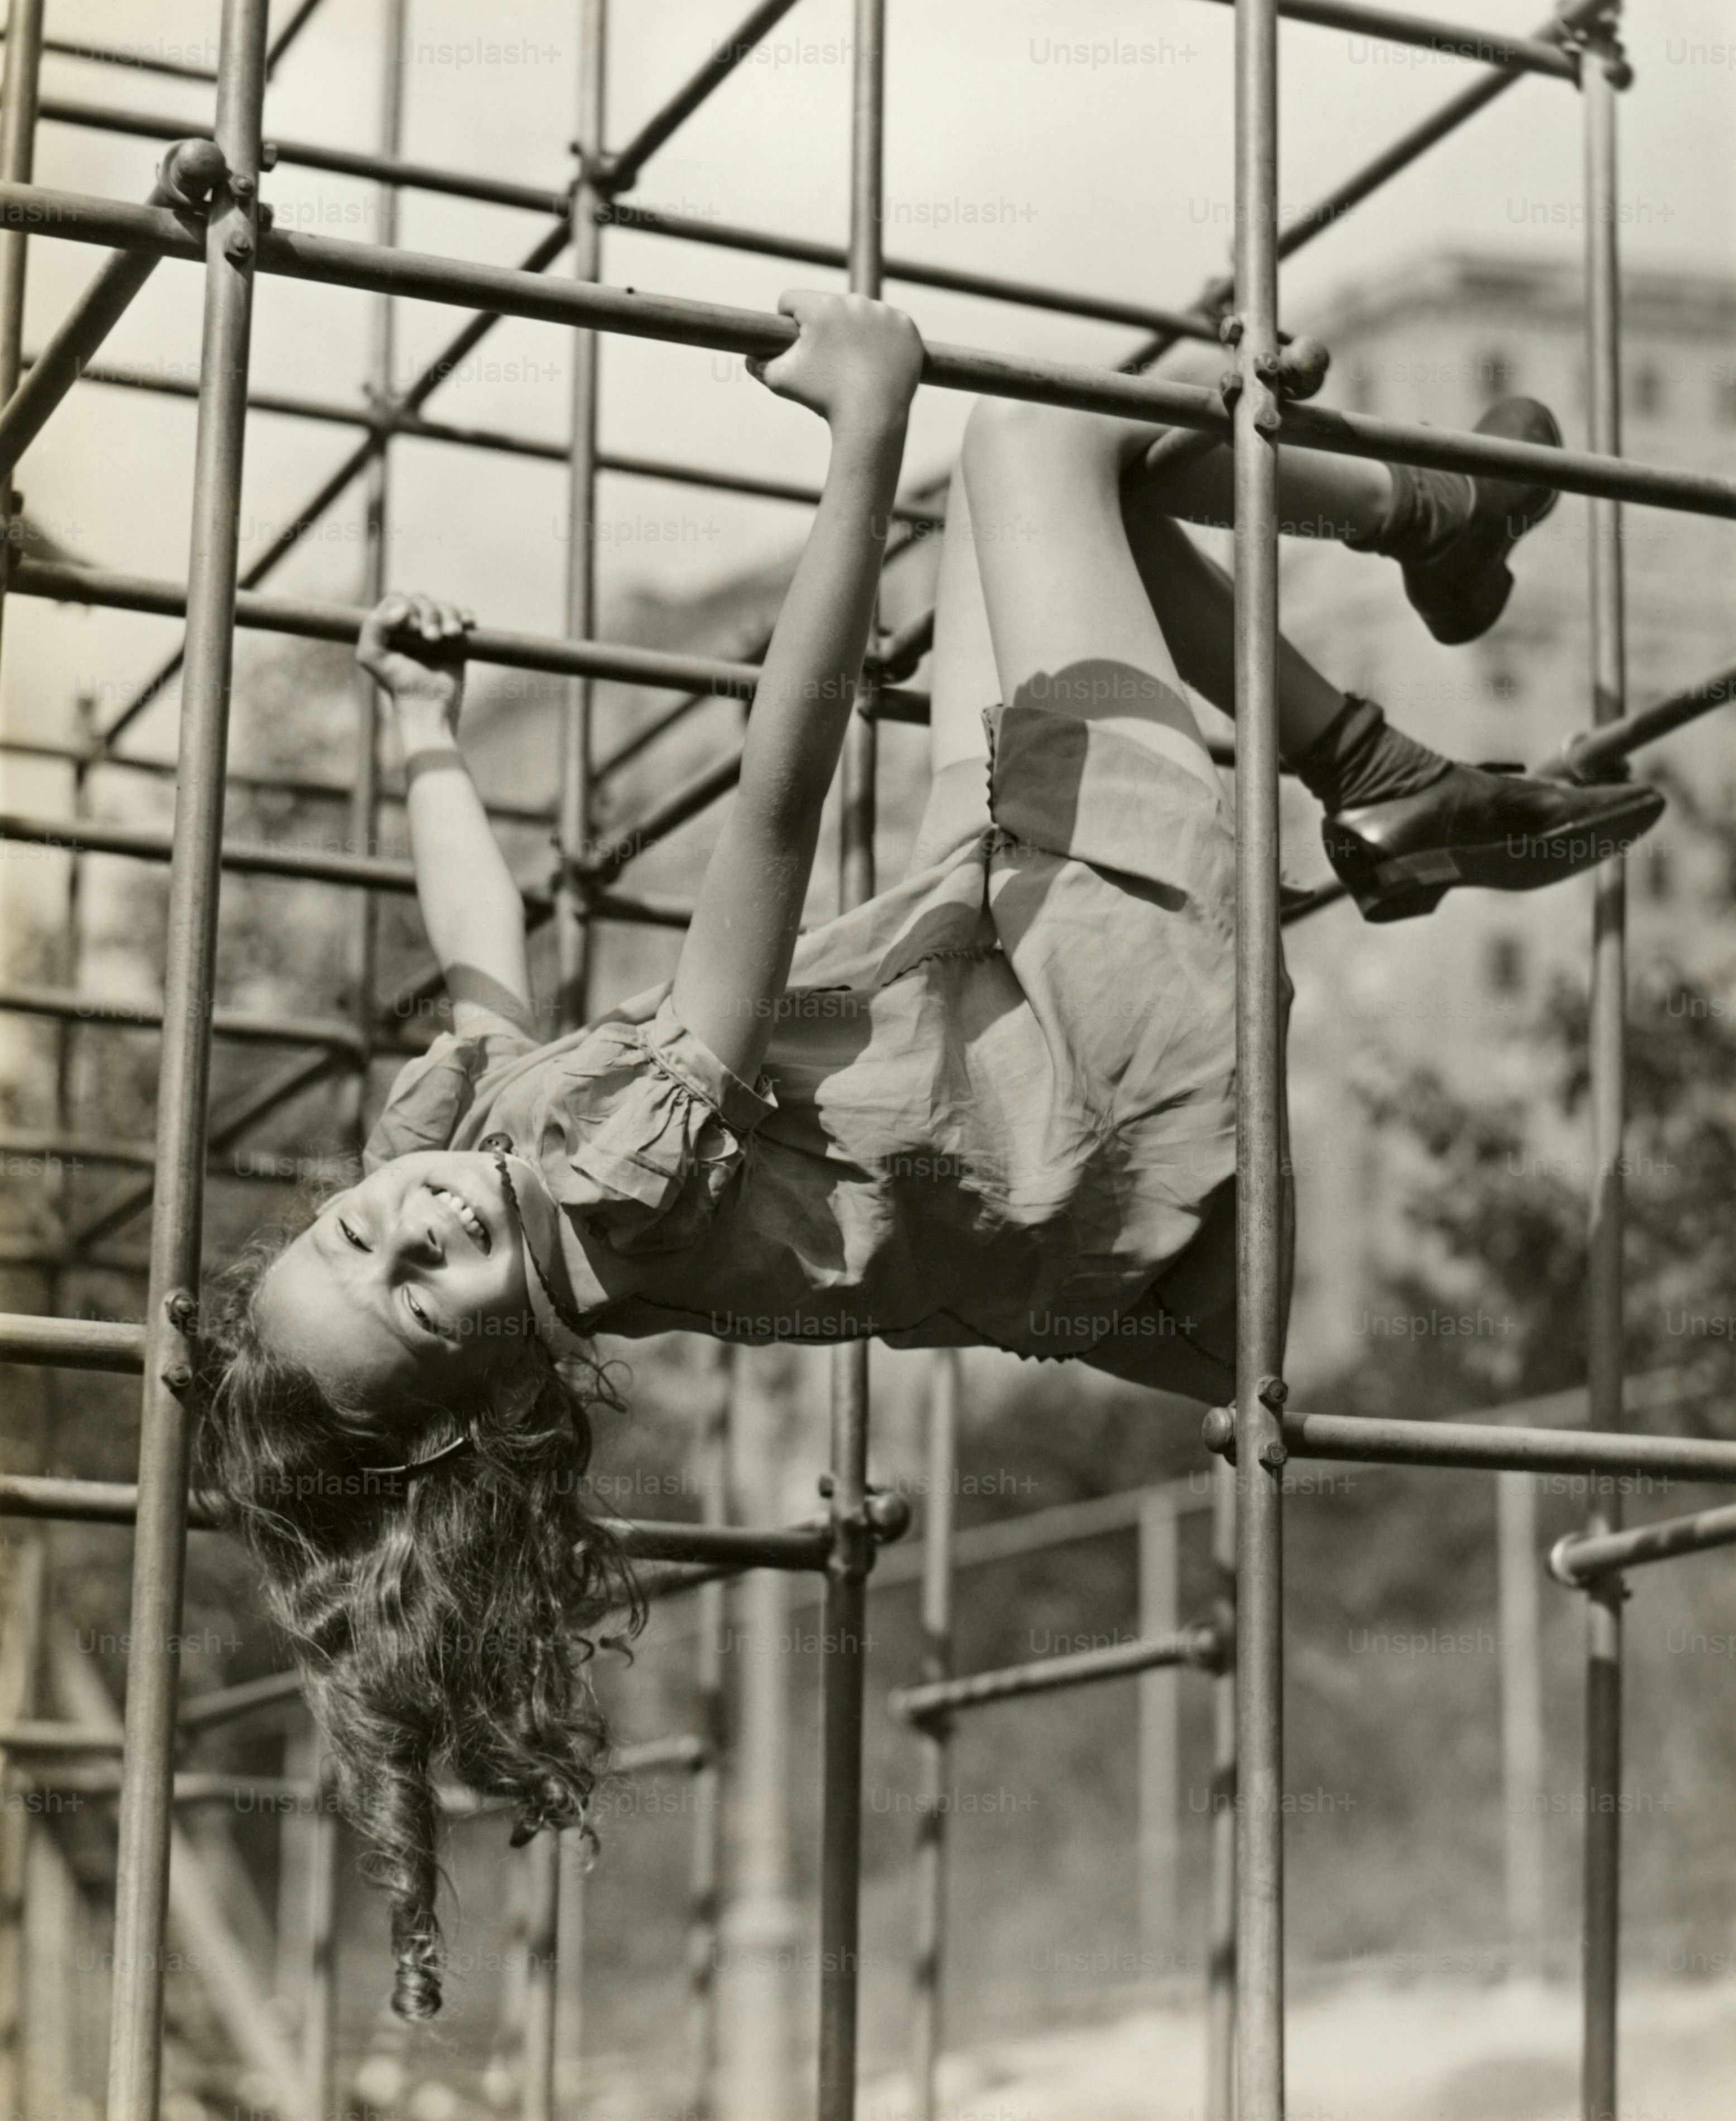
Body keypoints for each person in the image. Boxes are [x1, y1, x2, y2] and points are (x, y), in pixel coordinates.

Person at [199, 291, 1661, 2016]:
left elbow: (479, 967)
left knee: (1028, 470)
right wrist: (854, 437)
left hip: (989, 961)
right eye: (427, 1288)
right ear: (506, 1385)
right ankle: (1433, 536)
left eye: (359, 1234)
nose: (413, 1222)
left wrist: (427, 731)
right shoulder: (616, 1192)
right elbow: (774, 799)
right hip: (1103, 1014)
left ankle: (1388, 756)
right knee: (1035, 436)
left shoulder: (503, 1156)